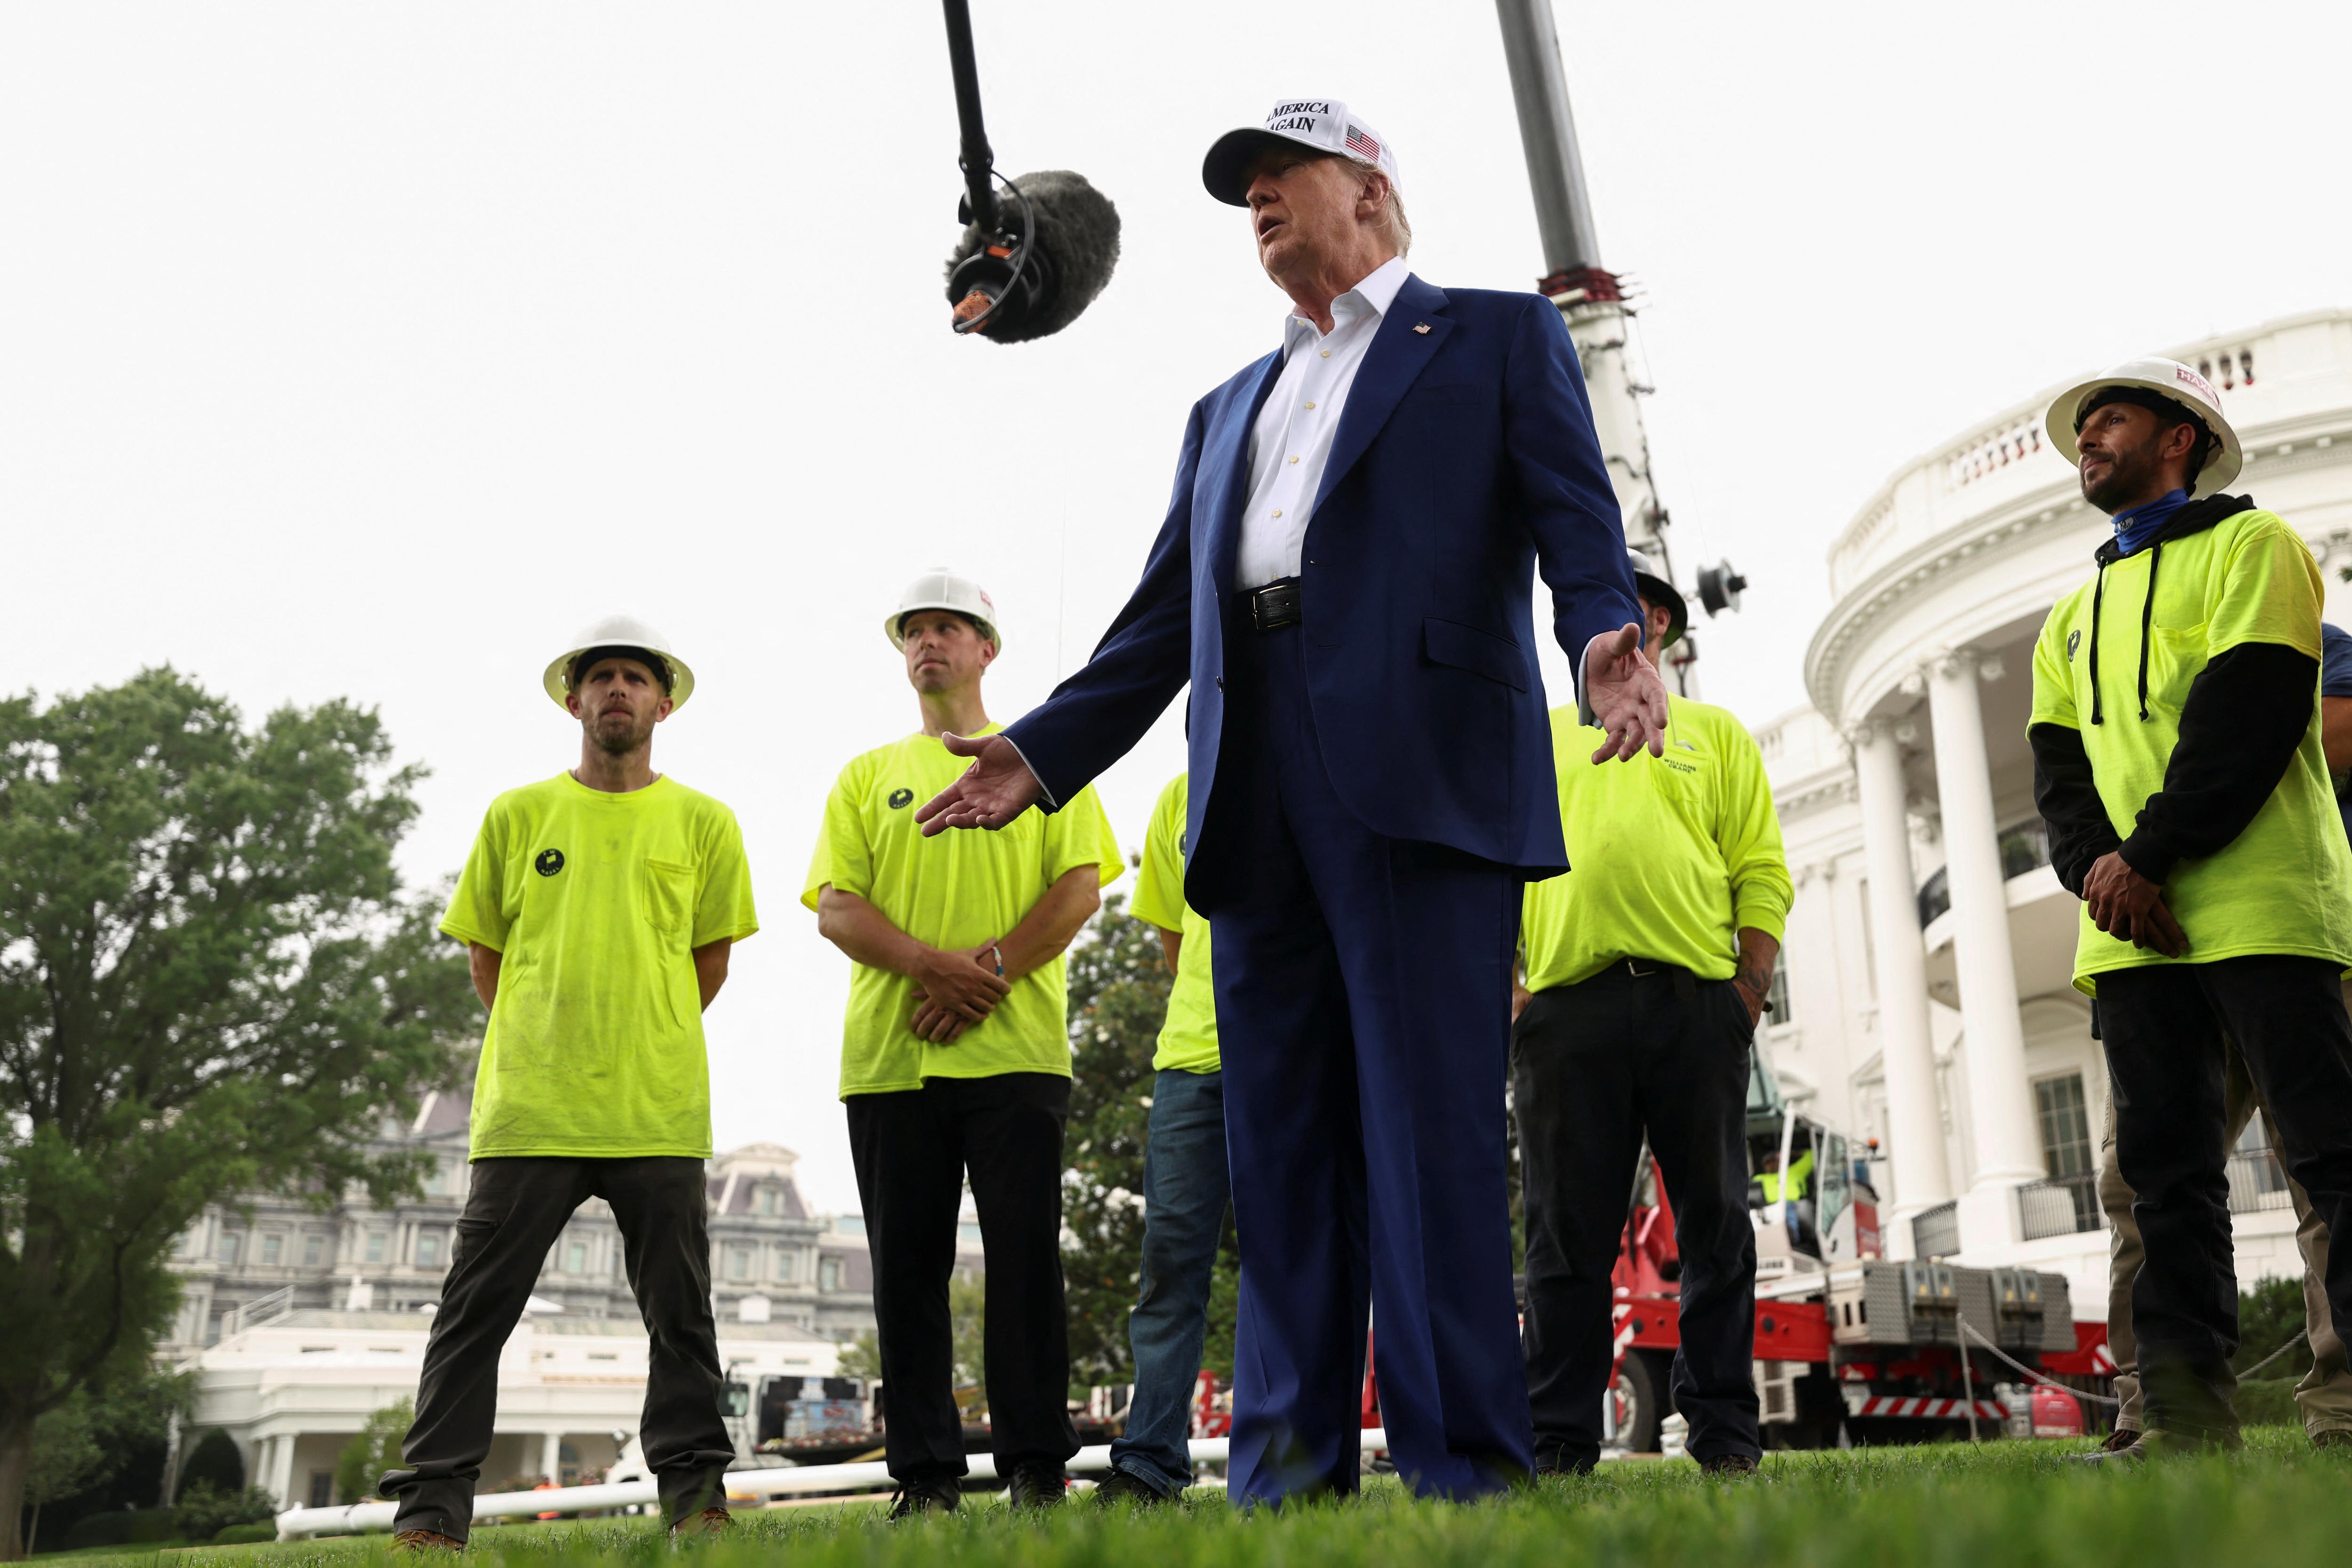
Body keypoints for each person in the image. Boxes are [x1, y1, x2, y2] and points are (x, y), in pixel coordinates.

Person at [914, 99, 1669, 1504]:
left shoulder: (1499, 334)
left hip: (1421, 768)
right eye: (1244, 188)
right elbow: (1157, 625)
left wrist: (1602, 631)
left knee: (1429, 1134)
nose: (1257, 202)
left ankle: (1465, 1468)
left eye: (1282, 177)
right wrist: (1042, 750)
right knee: (1283, 1148)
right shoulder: (1225, 408)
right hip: (1254, 779)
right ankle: (1283, 1469)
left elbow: (1578, 515)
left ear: (1371, 193)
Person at [2028, 357, 2352, 1453]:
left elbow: (2248, 716)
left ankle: (2346, 1414)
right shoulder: (2067, 615)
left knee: (2331, 1162)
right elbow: (2058, 786)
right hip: (2132, 944)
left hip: (2267, 913)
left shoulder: (2255, 548)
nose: (2086, 437)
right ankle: (2180, 1426)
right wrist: (2102, 876)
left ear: (2181, 437)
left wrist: (2145, 859)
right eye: (2082, 426)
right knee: (2162, 1187)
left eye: (2107, 419)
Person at [383, 616, 758, 1549]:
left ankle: (697, 1499)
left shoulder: (705, 821)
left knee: (682, 1319)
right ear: (572, 698)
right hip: (529, 1111)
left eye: (636, 677)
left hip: (657, 1110)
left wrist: (647, 1030)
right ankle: (431, 1508)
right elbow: (487, 954)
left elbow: (708, 961)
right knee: (473, 1314)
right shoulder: (518, 814)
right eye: (602, 678)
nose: (618, 691)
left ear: (662, 703)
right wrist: (544, 1033)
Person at [805, 569, 1124, 1516]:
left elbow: (1077, 889)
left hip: (1018, 1052)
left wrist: (984, 969)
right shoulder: (866, 775)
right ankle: (927, 1475)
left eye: (948, 626)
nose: (927, 642)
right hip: (891, 1058)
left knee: (1025, 1264)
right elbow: (834, 907)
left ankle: (1036, 1466)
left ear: (988, 647)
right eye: (913, 630)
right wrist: (930, 968)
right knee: (908, 1271)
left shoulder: (1045, 761)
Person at [1511, 549, 1789, 1477]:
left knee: (1714, 1228)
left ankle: (1724, 1435)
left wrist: (1744, 995)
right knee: (1562, 1238)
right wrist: (1511, 997)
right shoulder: (1531, 738)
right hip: (1565, 1013)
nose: (1598, 625)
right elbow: (1485, 883)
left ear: (1659, 624)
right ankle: (1558, 1436)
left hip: (1694, 1006)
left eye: (1618, 608)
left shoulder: (1716, 732)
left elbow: (1760, 869)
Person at [2087, 618, 2352, 1455]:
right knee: (2142, 1182)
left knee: (2327, 1173)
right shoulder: (2123, 651)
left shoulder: (2300, 634)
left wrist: (2212, 754)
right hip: (2163, 947)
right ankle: (2157, 1407)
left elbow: (2334, 726)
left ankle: (2344, 1410)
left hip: (2294, 939)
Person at [1095, 771, 1229, 1505]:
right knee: (1171, 1263)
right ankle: (1148, 1464)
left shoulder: (1315, 756)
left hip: (1294, 1053)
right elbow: (1174, 940)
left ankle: (1299, 1450)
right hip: (1189, 1061)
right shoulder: (1179, 796)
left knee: (1297, 1260)